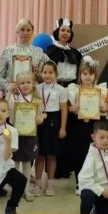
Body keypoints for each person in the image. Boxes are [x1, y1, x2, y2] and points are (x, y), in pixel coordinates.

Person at [46, 18, 83, 180]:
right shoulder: (50, 50)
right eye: (63, 30)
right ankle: (55, 169)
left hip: (72, 90)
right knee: (56, 128)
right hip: (56, 90)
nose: (65, 33)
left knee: (70, 130)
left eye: (68, 31)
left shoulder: (76, 53)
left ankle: (67, 167)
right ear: (57, 32)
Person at [67, 56, 108, 195]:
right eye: (84, 74)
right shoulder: (74, 90)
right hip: (78, 125)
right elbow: (67, 108)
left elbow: (105, 109)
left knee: (94, 152)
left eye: (91, 74)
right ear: (80, 75)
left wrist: (104, 109)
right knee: (79, 153)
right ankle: (79, 182)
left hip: (94, 124)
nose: (88, 77)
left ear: (95, 75)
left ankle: (94, 181)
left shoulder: (99, 90)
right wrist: (71, 108)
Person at [6, 71, 43, 202]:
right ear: (17, 84)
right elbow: (4, 108)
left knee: (27, 163)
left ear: (33, 84)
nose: (25, 85)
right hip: (15, 135)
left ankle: (26, 190)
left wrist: (39, 120)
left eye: (28, 82)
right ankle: (16, 190)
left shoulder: (37, 100)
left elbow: (40, 118)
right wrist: (9, 92)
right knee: (15, 163)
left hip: (29, 135)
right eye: (22, 83)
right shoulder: (13, 98)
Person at [33, 61, 68, 197]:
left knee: (52, 155)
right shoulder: (36, 88)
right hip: (39, 122)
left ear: (56, 74)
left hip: (54, 122)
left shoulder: (61, 89)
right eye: (45, 72)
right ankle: (37, 182)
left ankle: (50, 183)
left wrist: (63, 128)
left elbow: (64, 110)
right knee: (39, 155)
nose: (47, 75)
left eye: (50, 72)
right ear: (41, 73)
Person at [78, 120, 108, 214]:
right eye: (101, 137)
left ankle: (97, 207)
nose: (105, 140)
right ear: (93, 137)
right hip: (92, 189)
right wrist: (101, 191)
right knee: (87, 196)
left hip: (106, 191)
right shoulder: (91, 156)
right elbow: (84, 180)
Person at [0, 18, 48, 93]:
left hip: (32, 95)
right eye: (22, 30)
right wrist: (8, 87)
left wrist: (37, 74)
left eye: (28, 30)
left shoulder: (38, 52)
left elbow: (46, 77)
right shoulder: (7, 51)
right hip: (12, 94)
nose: (25, 33)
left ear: (32, 32)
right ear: (17, 31)